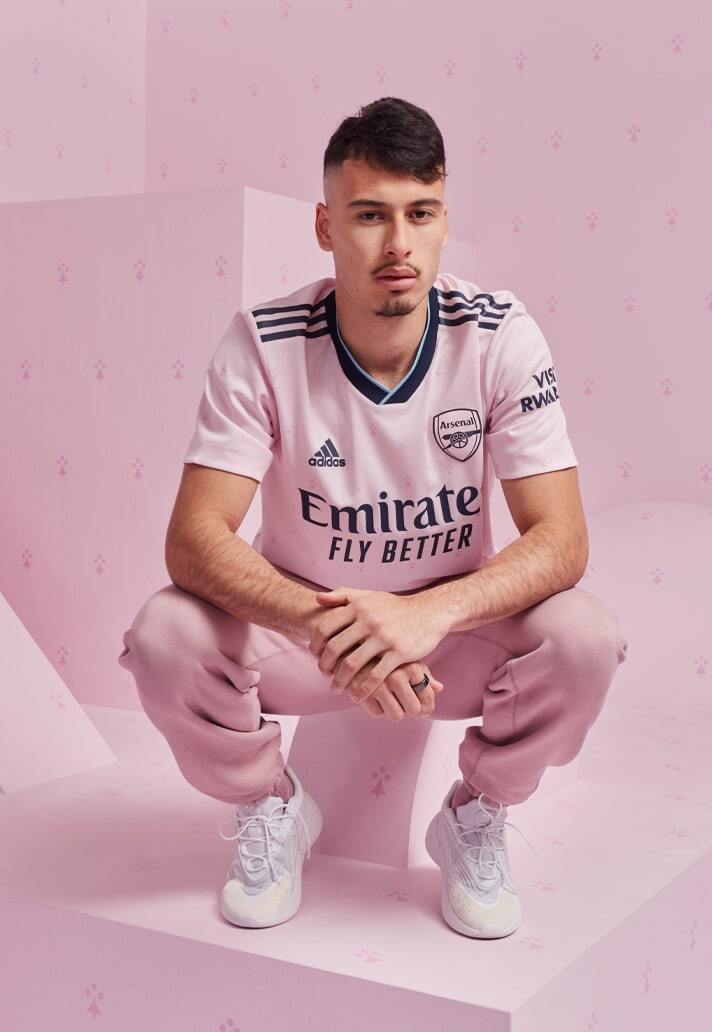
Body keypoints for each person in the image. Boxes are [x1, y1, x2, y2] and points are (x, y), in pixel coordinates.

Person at [117, 96, 628, 940]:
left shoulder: (499, 333)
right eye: (369, 215)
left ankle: (476, 813)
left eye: (420, 213)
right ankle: (270, 803)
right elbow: (194, 539)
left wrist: (427, 615)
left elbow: (562, 539)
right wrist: (334, 628)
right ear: (325, 226)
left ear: (444, 221)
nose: (398, 243)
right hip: (309, 637)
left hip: (449, 642)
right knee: (163, 635)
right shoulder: (264, 342)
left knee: (586, 638)